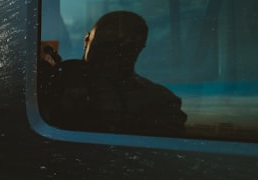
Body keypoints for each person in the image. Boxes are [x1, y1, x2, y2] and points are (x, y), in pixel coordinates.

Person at [40, 10, 187, 136]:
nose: (115, 52)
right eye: (107, 42)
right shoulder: (54, 81)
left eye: (127, 46)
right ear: (87, 40)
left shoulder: (160, 100)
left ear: (140, 48)